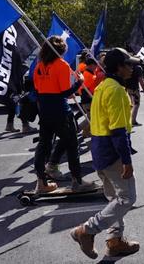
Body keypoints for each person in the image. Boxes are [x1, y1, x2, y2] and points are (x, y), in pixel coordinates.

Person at [70, 48, 140, 259]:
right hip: (112, 151)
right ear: (119, 67)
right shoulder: (117, 90)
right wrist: (127, 161)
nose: (132, 68)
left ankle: (115, 242)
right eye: (129, 64)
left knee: (114, 198)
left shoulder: (103, 85)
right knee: (127, 198)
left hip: (99, 150)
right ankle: (87, 230)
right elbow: (119, 131)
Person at [32, 36, 94, 193]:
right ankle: (77, 181)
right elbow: (65, 93)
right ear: (61, 50)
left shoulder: (39, 66)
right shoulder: (62, 65)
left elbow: (38, 90)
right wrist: (79, 82)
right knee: (72, 145)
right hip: (60, 111)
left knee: (43, 145)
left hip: (45, 111)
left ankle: (41, 182)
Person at [125, 61, 144, 126]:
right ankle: (133, 120)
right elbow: (140, 80)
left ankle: (128, 120)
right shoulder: (138, 68)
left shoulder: (126, 66)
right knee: (136, 104)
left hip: (127, 88)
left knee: (129, 104)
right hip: (134, 89)